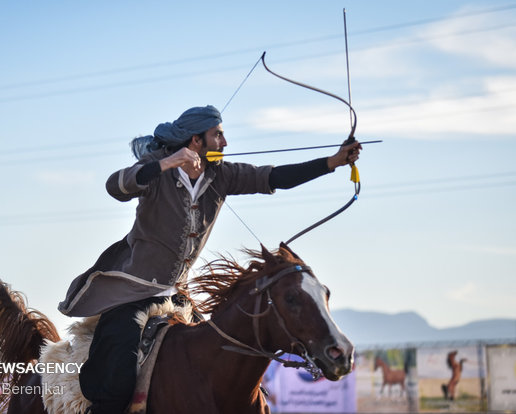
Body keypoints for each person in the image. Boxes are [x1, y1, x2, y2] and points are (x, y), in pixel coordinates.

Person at [58, 105, 361, 413]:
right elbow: (116, 186)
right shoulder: (156, 170)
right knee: (115, 384)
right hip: (132, 294)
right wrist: (166, 163)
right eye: (218, 134)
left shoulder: (221, 175)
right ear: (196, 141)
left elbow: (272, 177)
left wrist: (333, 162)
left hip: (177, 297)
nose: (225, 142)